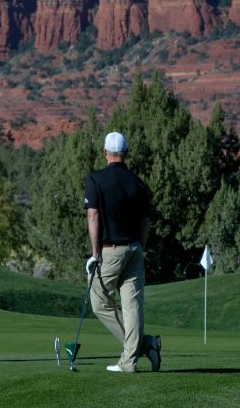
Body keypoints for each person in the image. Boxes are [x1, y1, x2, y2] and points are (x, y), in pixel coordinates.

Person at [84, 131, 161, 373]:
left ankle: (144, 345)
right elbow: (145, 222)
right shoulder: (137, 182)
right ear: (125, 153)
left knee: (99, 303)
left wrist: (95, 254)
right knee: (132, 306)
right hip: (135, 248)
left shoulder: (95, 179)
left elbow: (93, 216)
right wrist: (140, 247)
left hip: (110, 251)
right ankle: (131, 360)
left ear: (105, 152)